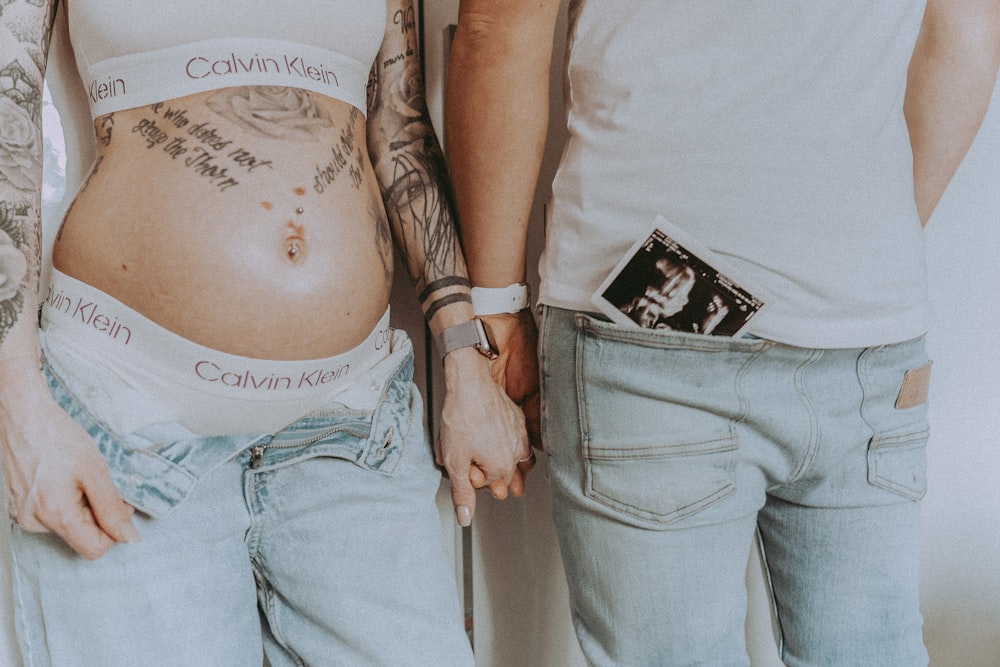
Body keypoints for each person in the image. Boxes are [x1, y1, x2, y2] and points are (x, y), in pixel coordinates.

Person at [447, 1, 1000, 665]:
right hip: (867, 329)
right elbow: (968, 36)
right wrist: (855, 249)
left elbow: (497, 30)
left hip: (647, 326)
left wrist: (495, 308)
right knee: (871, 649)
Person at [0, 0, 529, 664]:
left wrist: (463, 356)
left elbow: (398, 126)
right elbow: (6, 104)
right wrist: (16, 400)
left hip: (352, 422)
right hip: (129, 419)